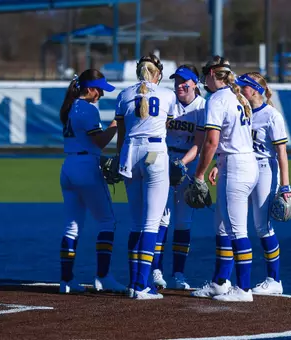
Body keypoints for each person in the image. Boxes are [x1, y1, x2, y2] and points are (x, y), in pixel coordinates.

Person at [190, 56, 259, 302]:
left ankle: (244, 289)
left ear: (211, 74)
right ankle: (220, 282)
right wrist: (220, 165)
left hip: (236, 166)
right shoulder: (238, 96)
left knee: (237, 230)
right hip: (241, 162)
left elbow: (211, 142)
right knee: (222, 225)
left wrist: (198, 174)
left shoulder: (217, 98)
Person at [115, 53, 177, 300]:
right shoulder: (167, 95)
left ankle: (133, 283)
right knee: (152, 224)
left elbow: (121, 132)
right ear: (157, 73)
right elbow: (168, 124)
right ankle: (142, 285)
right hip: (155, 153)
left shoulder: (124, 95)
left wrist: (119, 159)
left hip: (130, 153)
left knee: (136, 224)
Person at [58, 69, 126, 294]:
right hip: (86, 168)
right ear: (89, 89)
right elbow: (98, 142)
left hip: (68, 166)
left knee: (71, 226)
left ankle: (66, 281)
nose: (101, 94)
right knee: (107, 222)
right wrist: (116, 126)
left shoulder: (70, 107)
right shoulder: (87, 109)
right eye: (99, 90)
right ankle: (103, 277)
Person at [234, 72, 291, 295]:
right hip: (243, 168)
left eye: (243, 87)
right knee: (236, 225)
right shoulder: (244, 112)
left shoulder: (271, 116)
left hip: (264, 170)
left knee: (262, 226)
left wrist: (285, 185)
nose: (239, 90)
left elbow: (281, 153)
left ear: (255, 90)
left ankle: (274, 279)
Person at [151, 65, 206, 290]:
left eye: (184, 81)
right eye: (176, 81)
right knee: (161, 218)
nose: (179, 85)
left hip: (187, 163)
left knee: (183, 221)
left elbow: (200, 143)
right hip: (164, 159)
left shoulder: (203, 107)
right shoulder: (168, 101)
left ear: (195, 83)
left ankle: (179, 273)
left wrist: (181, 165)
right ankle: (156, 270)